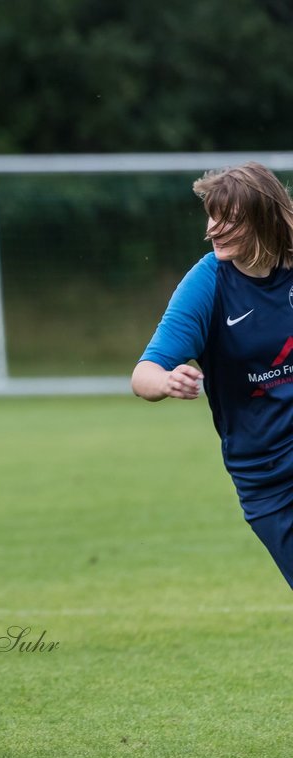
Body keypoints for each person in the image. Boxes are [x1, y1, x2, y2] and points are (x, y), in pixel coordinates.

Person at [133, 162, 293, 589]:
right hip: (267, 473)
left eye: (229, 219)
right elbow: (143, 373)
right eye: (211, 215)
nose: (212, 229)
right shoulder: (209, 282)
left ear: (264, 218)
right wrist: (166, 382)